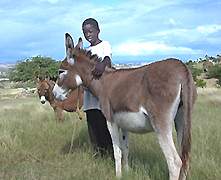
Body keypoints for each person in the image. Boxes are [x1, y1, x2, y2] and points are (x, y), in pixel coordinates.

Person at [82, 18, 113, 156]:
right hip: (89, 97)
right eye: (85, 32)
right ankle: (98, 154)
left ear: (97, 31)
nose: (88, 34)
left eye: (90, 31)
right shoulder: (85, 50)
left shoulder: (104, 45)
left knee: (105, 126)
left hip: (101, 96)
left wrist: (102, 65)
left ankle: (111, 154)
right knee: (93, 127)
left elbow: (107, 59)